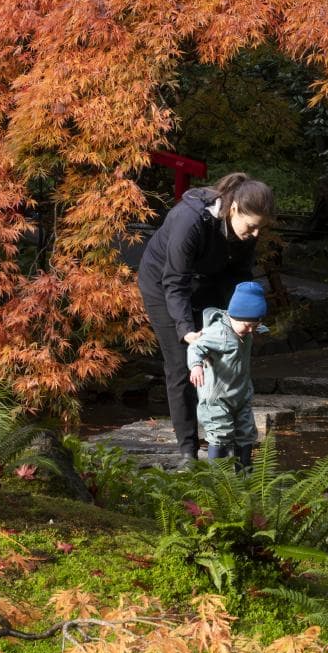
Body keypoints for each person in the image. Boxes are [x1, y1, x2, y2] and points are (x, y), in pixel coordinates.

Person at [136, 171, 275, 464]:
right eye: (251, 227)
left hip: (210, 279)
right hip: (163, 284)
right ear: (233, 208)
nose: (255, 235)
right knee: (180, 364)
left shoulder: (244, 231)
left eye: (260, 229)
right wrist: (186, 328)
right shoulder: (191, 221)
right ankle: (188, 451)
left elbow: (239, 276)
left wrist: (245, 315)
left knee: (221, 355)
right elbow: (175, 280)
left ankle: (223, 442)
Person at [188, 281, 265, 470]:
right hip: (217, 397)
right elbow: (195, 346)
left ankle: (245, 474)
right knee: (220, 432)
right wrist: (196, 366)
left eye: (255, 325)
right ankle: (219, 480)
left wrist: (259, 329)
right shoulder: (218, 333)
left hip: (241, 393)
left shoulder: (248, 327)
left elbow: (254, 325)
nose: (250, 330)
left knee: (247, 432)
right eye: (247, 326)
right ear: (233, 316)